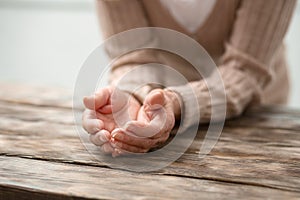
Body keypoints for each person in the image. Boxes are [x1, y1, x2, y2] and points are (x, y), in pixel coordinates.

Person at [82, 0, 296, 157]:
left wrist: (178, 102)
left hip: (255, 119)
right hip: (161, 118)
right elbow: (133, 56)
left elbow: (243, 71)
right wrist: (131, 97)